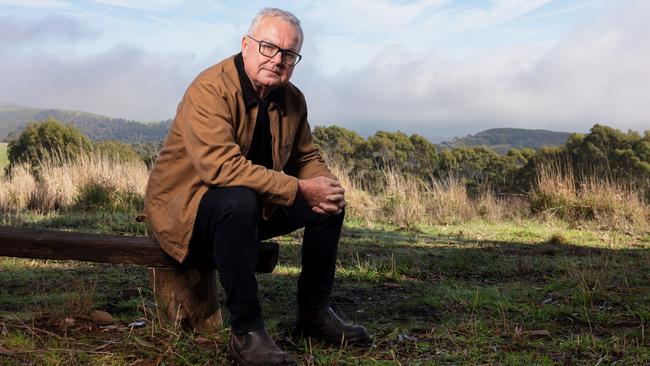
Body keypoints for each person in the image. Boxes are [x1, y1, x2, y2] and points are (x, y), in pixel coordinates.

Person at [144, 7, 371, 366]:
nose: (277, 60)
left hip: (253, 204)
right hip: (186, 210)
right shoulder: (210, 89)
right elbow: (220, 168)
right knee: (239, 200)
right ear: (246, 45)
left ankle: (314, 314)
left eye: (288, 54)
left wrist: (325, 186)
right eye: (268, 47)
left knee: (328, 206)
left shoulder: (292, 99)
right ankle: (247, 333)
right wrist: (299, 190)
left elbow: (306, 157)